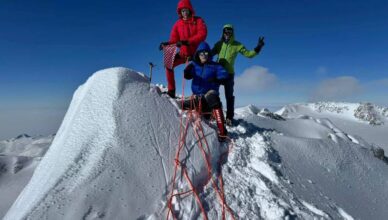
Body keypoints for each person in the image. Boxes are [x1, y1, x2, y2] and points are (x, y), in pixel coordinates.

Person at [212, 24, 265, 126]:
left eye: (229, 31)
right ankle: (213, 113)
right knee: (213, 93)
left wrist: (258, 48)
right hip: (217, 73)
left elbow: (249, 54)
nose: (227, 33)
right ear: (223, 32)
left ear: (232, 33)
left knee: (229, 97)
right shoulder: (219, 44)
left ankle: (229, 118)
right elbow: (209, 54)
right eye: (225, 31)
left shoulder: (237, 45)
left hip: (229, 74)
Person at [159, 0, 207, 98]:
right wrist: (166, 43)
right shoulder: (177, 24)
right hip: (183, 54)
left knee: (200, 72)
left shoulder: (198, 20)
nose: (184, 13)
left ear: (190, 10)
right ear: (180, 12)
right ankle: (171, 91)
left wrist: (188, 41)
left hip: (196, 54)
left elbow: (202, 34)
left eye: (186, 10)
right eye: (182, 11)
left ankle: (201, 95)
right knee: (169, 65)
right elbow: (174, 40)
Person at [183, 41, 229, 141]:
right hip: (197, 96)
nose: (204, 55)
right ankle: (206, 115)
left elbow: (225, 77)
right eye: (201, 53)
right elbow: (187, 76)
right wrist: (187, 70)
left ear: (209, 53)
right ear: (198, 54)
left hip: (209, 96)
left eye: (206, 53)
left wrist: (217, 79)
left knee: (213, 98)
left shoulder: (215, 66)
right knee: (182, 105)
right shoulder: (194, 65)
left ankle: (222, 131)